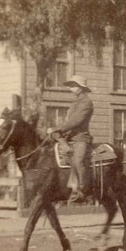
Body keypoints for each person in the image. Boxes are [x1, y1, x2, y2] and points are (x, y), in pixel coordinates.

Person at [47, 75, 94, 203]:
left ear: (81, 88)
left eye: (74, 86)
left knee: (78, 161)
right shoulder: (75, 103)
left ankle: (84, 190)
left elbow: (76, 121)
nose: (71, 88)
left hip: (80, 138)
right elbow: (69, 121)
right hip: (70, 137)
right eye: (71, 86)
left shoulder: (86, 103)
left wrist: (58, 128)